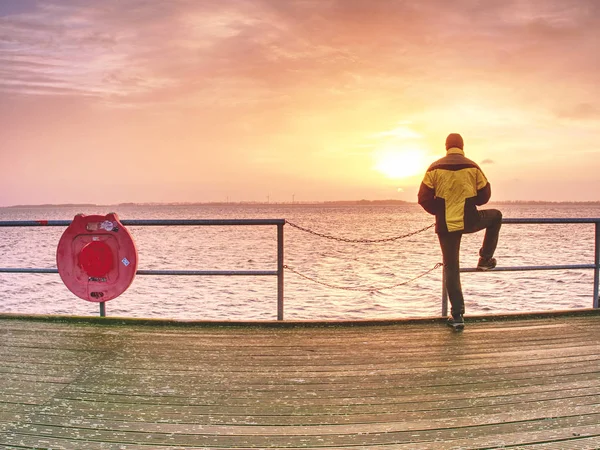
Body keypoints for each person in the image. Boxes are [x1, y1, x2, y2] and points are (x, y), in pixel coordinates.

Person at [418, 133, 502, 331]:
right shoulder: (472, 167)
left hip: (446, 225)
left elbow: (423, 198)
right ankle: (484, 259)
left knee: (451, 268)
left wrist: (439, 211)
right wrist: (469, 201)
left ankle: (457, 316)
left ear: (446, 146)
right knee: (496, 216)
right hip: (469, 220)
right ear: (462, 146)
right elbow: (485, 195)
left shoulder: (434, 168)